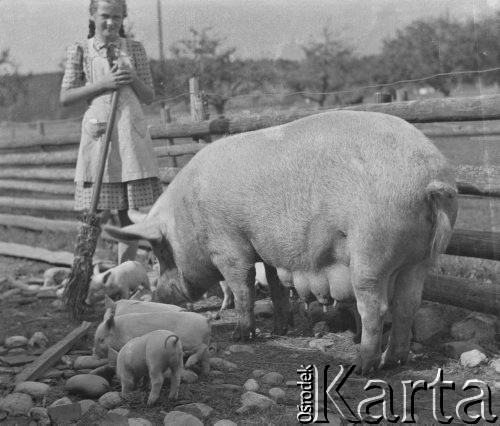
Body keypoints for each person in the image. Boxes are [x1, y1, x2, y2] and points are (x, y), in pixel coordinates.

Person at [60, 0, 162, 263]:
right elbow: (66, 96)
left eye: (117, 17)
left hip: (130, 137)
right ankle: (83, 269)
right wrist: (103, 83)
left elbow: (149, 96)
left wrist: (131, 77)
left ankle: (124, 277)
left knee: (129, 211)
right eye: (105, 16)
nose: (111, 23)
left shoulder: (134, 49)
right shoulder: (80, 50)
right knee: (95, 211)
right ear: (92, 16)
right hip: (99, 137)